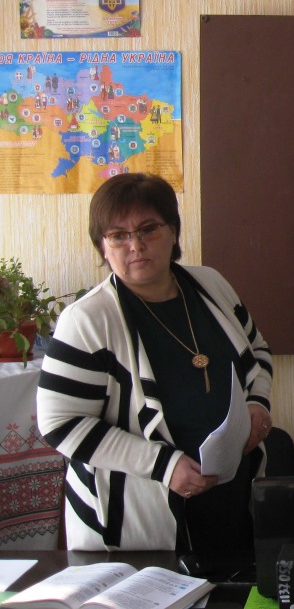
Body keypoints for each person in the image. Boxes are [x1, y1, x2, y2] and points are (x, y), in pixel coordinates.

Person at [37, 172, 274, 553]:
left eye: (149, 229)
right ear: (103, 246)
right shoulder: (86, 321)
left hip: (232, 495)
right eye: (119, 235)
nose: (136, 245)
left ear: (173, 231)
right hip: (138, 513)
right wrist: (162, 465)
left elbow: (258, 350)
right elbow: (60, 424)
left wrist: (258, 402)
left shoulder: (212, 285)